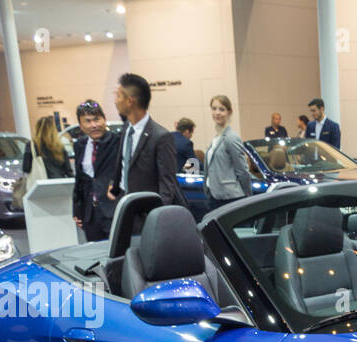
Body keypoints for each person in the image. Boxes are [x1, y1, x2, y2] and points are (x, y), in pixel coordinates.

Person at [107, 72, 186, 209]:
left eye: (118, 96)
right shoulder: (126, 128)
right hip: (123, 205)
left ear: (130, 101)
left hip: (147, 211)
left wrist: (159, 215)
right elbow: (124, 164)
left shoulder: (161, 137)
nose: (115, 101)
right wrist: (115, 186)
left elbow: (167, 183)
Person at [71, 100, 120, 240]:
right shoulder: (80, 145)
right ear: (81, 125)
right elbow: (80, 180)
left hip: (112, 209)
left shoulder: (117, 142)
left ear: (104, 120)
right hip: (90, 213)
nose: (94, 125)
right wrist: (77, 210)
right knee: (94, 255)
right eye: (88, 121)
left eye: (97, 119)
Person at [203, 94, 250, 211]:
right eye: (214, 108)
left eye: (221, 109)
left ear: (229, 112)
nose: (217, 113)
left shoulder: (231, 138)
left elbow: (242, 170)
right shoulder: (216, 138)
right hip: (215, 197)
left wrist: (248, 197)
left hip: (230, 198)